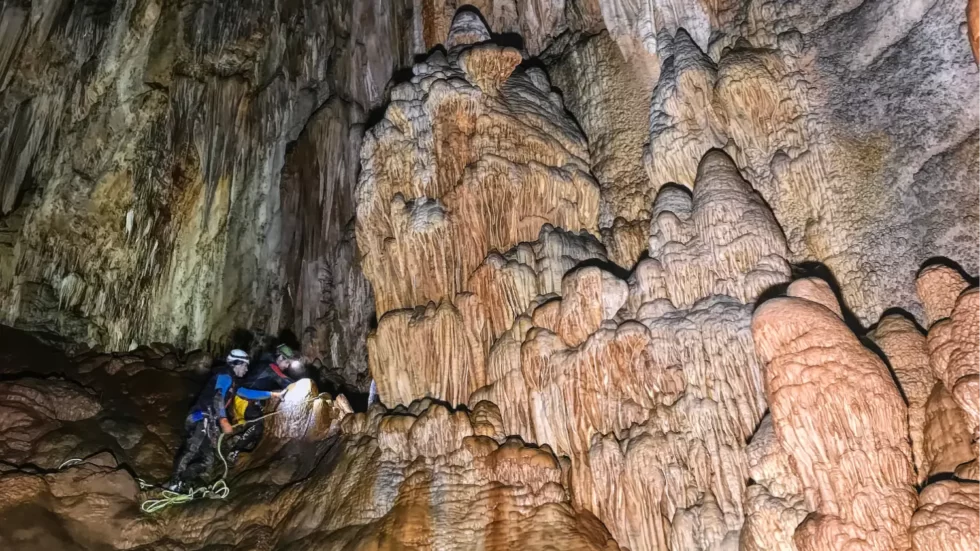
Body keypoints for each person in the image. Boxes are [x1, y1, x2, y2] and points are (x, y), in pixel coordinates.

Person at [167, 349, 252, 492]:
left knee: (208, 461)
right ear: (236, 364)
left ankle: (184, 481)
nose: (246, 369)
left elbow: (249, 393)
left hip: (209, 423)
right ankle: (174, 483)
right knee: (191, 450)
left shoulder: (233, 383)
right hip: (200, 417)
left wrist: (273, 394)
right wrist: (224, 420)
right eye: (245, 365)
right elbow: (218, 397)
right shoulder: (225, 375)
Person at [224, 344, 298, 460]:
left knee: (259, 428)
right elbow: (284, 380)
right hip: (245, 400)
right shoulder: (271, 367)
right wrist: (302, 385)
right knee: (258, 425)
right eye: (287, 363)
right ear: (280, 358)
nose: (287, 366)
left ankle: (236, 440)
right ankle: (234, 451)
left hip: (245, 399)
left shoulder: (265, 363)